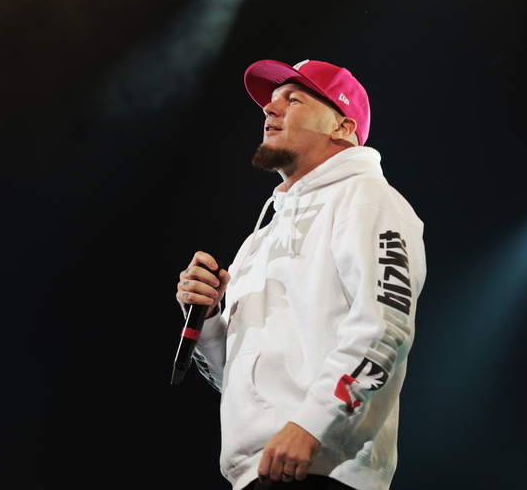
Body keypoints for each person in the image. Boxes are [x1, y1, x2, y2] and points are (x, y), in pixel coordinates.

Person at [176, 59, 426, 490]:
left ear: (342, 127)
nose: (270, 109)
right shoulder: (258, 241)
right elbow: (232, 380)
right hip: (255, 473)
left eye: (293, 100)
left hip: (325, 468)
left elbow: (386, 326)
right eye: (271, 102)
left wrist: (313, 424)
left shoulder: (368, 198)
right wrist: (210, 320)